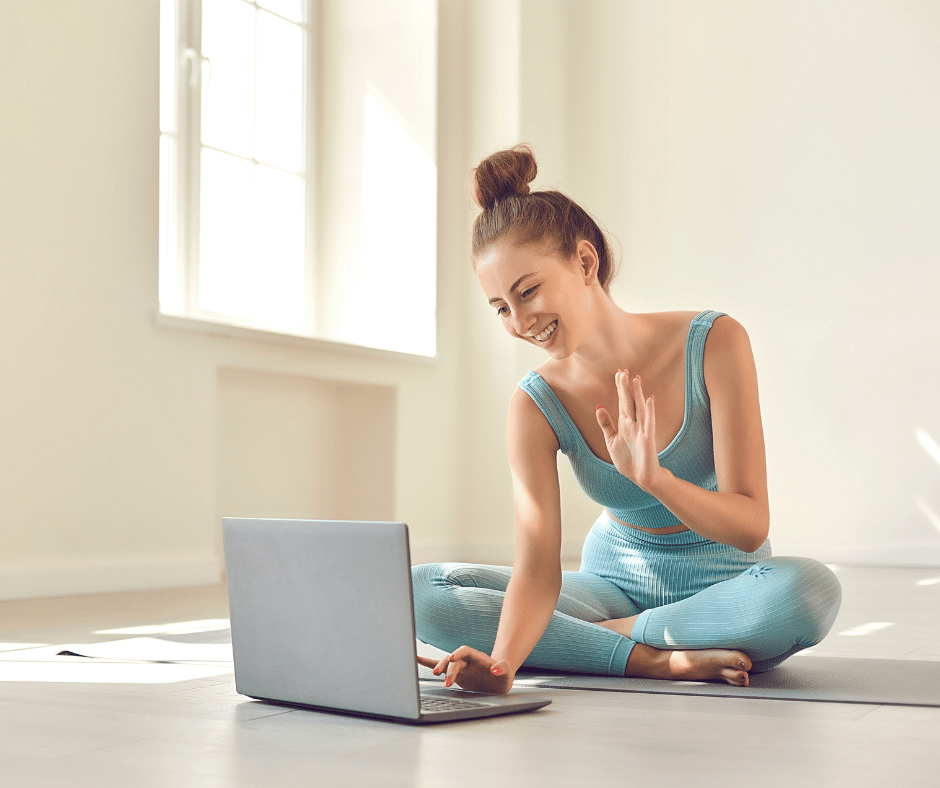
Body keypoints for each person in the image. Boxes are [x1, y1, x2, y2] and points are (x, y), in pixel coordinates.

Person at [413, 145, 841, 694]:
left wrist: (656, 480)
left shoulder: (714, 342)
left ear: (586, 263)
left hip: (726, 582)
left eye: (528, 292)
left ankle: (604, 640)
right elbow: (538, 569)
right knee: (422, 590)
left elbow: (751, 524)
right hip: (611, 582)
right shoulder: (534, 404)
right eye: (500, 307)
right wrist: (502, 670)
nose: (520, 322)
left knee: (808, 592)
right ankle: (655, 658)